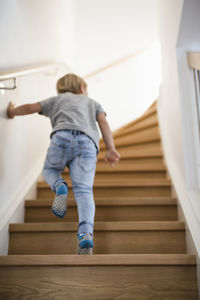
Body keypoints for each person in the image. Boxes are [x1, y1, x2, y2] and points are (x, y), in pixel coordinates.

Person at [7, 73, 120, 255]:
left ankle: (59, 185)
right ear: (82, 88)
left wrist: (12, 112)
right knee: (84, 191)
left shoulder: (57, 99)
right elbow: (104, 123)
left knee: (50, 170)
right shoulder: (92, 103)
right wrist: (110, 148)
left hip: (61, 138)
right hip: (87, 144)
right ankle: (85, 234)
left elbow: (31, 107)